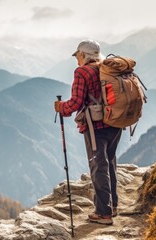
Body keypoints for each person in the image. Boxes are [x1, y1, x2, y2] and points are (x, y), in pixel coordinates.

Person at [54, 39, 122, 225]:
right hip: (115, 123)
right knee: (110, 163)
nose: (77, 60)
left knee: (98, 166)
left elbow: (76, 103)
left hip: (96, 127)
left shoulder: (82, 72)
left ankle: (103, 213)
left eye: (78, 55)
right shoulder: (106, 68)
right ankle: (112, 206)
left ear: (83, 55)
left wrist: (61, 107)